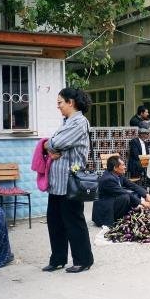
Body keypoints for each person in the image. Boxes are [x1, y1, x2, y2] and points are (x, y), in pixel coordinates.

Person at [42, 88, 94, 273]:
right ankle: (57, 259)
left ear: (71, 102)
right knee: (55, 222)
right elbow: (50, 142)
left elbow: (54, 143)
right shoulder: (67, 122)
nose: (58, 106)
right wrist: (49, 145)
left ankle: (83, 260)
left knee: (74, 222)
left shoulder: (79, 122)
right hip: (57, 182)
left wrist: (49, 145)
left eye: (60, 102)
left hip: (70, 182)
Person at [92, 156, 150, 227]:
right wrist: (141, 202)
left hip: (113, 203)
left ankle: (127, 214)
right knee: (125, 197)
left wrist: (146, 194)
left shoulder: (118, 175)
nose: (125, 167)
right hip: (105, 210)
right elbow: (123, 192)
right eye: (123, 165)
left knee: (135, 193)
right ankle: (117, 220)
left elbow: (132, 185)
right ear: (115, 168)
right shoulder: (108, 179)